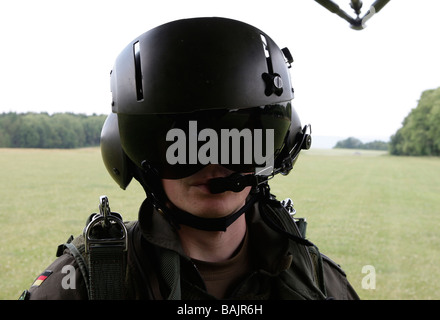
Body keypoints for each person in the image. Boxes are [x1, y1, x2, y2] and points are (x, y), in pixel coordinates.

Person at [21, 17, 359, 300]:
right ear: (139, 156)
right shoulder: (86, 283)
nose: (213, 160)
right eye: (180, 141)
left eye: (237, 136)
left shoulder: (317, 282)